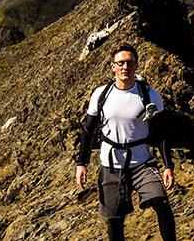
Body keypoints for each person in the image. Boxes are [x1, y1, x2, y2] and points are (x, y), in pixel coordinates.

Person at [76, 42, 177, 241]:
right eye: (120, 63)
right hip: (111, 166)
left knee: (161, 202)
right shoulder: (100, 95)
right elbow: (88, 131)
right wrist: (81, 163)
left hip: (142, 163)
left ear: (136, 65)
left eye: (129, 63)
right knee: (115, 220)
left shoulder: (150, 96)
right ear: (113, 66)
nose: (125, 67)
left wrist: (168, 166)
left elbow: (162, 133)